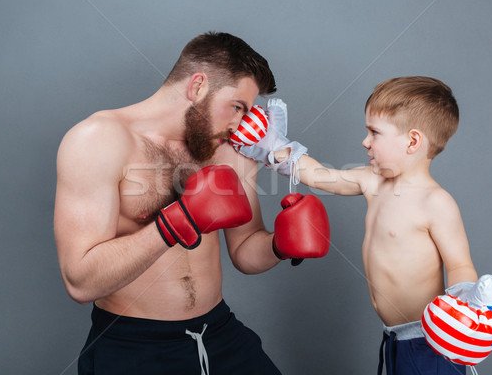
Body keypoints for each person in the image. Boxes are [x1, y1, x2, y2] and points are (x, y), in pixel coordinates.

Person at [53, 32, 330, 375]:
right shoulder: (98, 140)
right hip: (132, 346)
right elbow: (81, 283)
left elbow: (245, 250)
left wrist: (278, 245)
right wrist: (179, 221)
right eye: (238, 107)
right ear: (198, 86)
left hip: (219, 333)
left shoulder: (227, 148)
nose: (241, 124)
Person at [270, 77, 483, 374]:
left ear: (412, 141)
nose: (365, 141)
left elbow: (460, 264)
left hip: (431, 342)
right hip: (394, 337)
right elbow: (319, 175)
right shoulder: (372, 181)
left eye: (374, 132)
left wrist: (464, 305)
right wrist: (274, 147)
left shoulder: (436, 202)